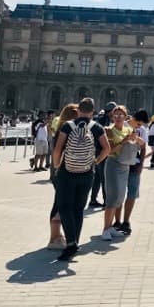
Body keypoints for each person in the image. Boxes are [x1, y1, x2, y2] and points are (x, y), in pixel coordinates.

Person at [52, 98, 110, 261]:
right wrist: (95, 162)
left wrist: (57, 166)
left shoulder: (67, 126)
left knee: (64, 207)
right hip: (86, 172)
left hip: (66, 171)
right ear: (92, 112)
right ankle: (74, 241)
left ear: (78, 110)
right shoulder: (97, 127)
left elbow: (57, 149)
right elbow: (107, 149)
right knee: (78, 209)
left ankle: (71, 243)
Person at [102, 105, 144, 240]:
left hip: (125, 166)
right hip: (113, 165)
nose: (118, 117)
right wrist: (124, 141)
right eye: (116, 114)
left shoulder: (129, 129)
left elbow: (142, 144)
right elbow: (110, 150)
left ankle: (111, 228)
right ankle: (105, 230)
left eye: (121, 115)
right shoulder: (108, 130)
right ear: (112, 117)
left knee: (120, 198)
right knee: (112, 198)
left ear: (126, 117)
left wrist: (136, 139)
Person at [47, 103, 78, 250]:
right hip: (62, 172)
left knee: (60, 202)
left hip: (59, 171)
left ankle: (57, 236)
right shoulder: (65, 131)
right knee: (60, 204)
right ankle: (54, 238)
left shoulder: (62, 129)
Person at [114, 109, 148, 235]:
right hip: (121, 163)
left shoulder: (142, 130)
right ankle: (117, 221)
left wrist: (141, 165)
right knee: (119, 194)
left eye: (141, 125)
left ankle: (126, 221)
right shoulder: (121, 125)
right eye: (138, 124)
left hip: (135, 164)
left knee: (132, 193)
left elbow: (143, 148)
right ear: (133, 119)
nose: (140, 127)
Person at [89, 101, 116, 207]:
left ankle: (93, 200)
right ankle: (106, 201)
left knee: (98, 177)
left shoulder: (99, 119)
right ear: (110, 112)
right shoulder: (105, 121)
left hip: (97, 150)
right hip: (102, 151)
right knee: (105, 177)